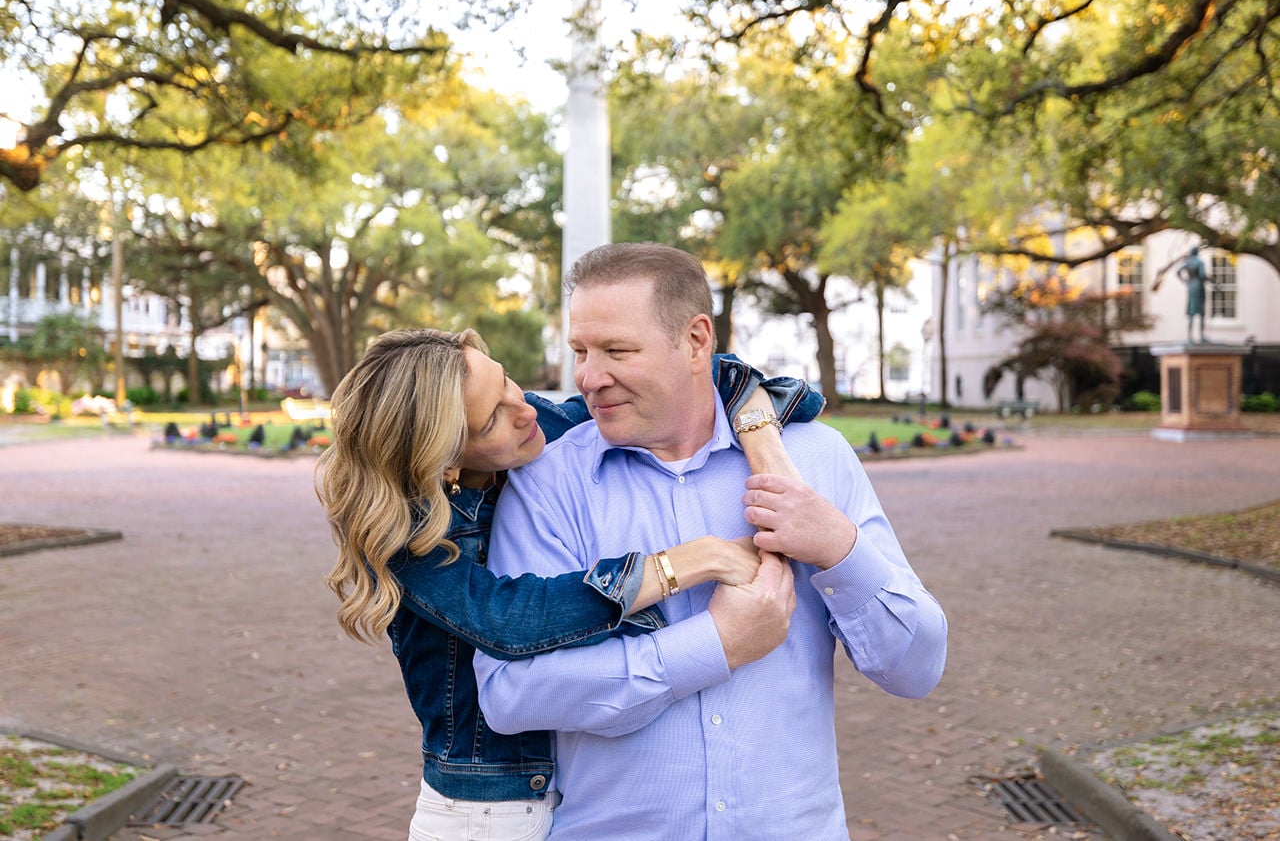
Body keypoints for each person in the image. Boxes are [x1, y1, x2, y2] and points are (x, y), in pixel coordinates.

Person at [474, 243, 948, 840]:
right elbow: (511, 692)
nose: (590, 378)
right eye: (580, 352)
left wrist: (839, 548)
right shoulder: (547, 485)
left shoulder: (814, 460)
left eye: (617, 350)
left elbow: (916, 669)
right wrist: (713, 644)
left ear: (697, 341)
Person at [316, 327, 822, 841]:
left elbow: (694, 373)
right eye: (493, 417)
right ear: (444, 459)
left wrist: (762, 440)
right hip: (487, 817)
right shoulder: (409, 535)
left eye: (507, 382)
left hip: (569, 800)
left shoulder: (535, 417)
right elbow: (509, 620)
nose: (526, 409)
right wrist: (691, 561)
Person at [1177, 245, 1210, 342]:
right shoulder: (1199, 262)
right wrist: (1209, 279)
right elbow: (1202, 275)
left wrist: (1185, 280)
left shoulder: (1187, 262)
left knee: (1191, 312)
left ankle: (1190, 336)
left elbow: (1178, 271)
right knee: (1201, 313)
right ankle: (1201, 336)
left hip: (1191, 286)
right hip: (1198, 286)